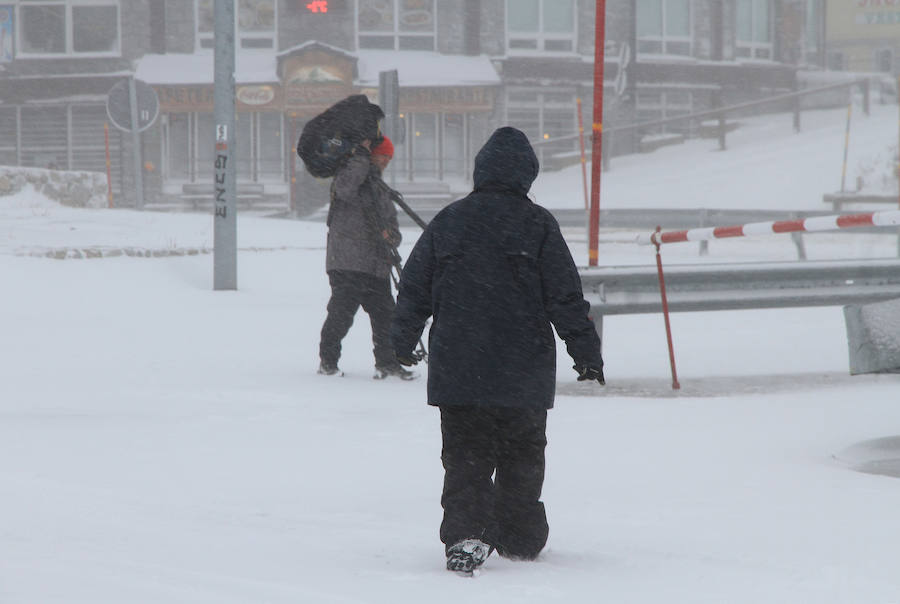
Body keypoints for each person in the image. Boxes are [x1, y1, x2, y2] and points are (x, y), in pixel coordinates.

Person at [390, 127, 605, 574]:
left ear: (480, 170)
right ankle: (520, 536)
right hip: (522, 368)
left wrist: (402, 341)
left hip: (460, 367)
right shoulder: (538, 224)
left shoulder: (449, 220)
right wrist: (584, 351)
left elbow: (413, 289)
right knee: (523, 455)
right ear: (528, 175)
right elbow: (564, 295)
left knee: (466, 457)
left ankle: (467, 534)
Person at [318, 136, 415, 380]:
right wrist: (360, 155)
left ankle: (388, 363)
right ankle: (328, 363)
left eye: (390, 158)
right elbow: (346, 188)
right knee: (342, 313)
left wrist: (390, 236)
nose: (386, 161)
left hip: (374, 262)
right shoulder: (349, 176)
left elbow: (393, 228)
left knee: (386, 317)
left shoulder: (379, 188)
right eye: (383, 155)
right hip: (348, 261)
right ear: (371, 154)